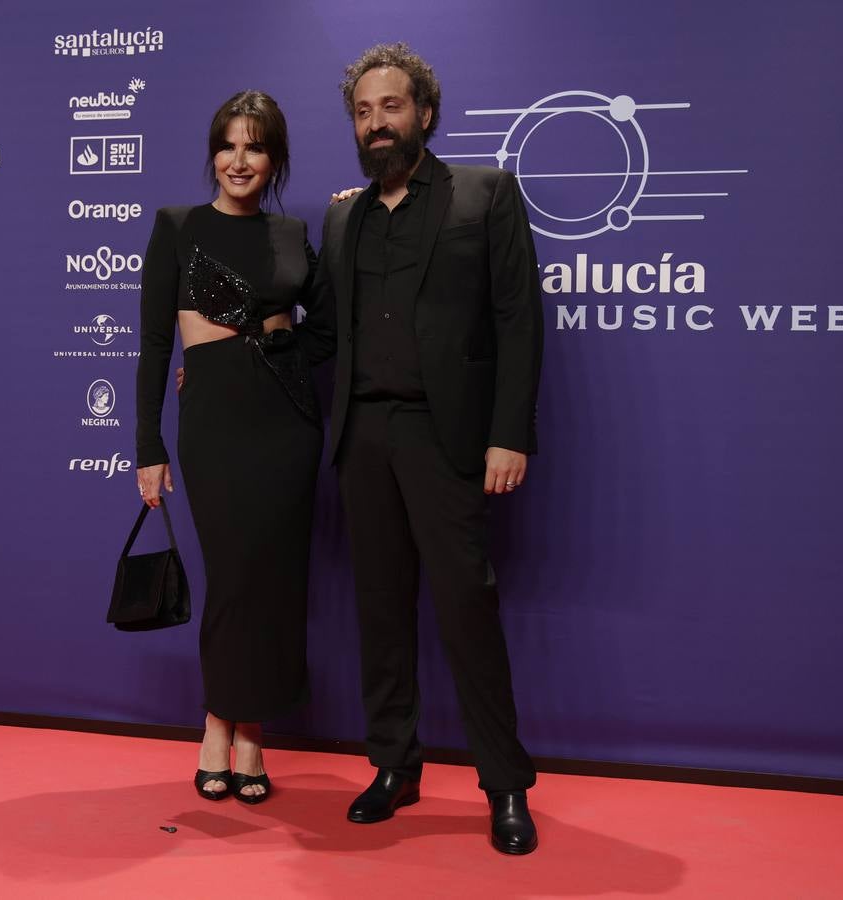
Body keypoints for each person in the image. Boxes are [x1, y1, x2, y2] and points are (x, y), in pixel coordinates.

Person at [308, 43, 544, 854]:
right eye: (364, 112)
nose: (377, 123)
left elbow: (518, 321)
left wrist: (508, 432)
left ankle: (505, 784)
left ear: (425, 114)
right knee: (379, 611)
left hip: (446, 439)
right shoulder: (344, 216)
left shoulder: (484, 194)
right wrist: (225, 359)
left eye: (391, 107)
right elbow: (319, 332)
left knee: (466, 611)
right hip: (361, 438)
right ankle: (393, 766)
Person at [134, 90, 333, 804]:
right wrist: (147, 444)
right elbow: (156, 342)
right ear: (212, 152)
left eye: (254, 147)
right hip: (213, 419)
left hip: (286, 420)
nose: (238, 160)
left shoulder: (289, 234)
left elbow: (331, 324)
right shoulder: (177, 226)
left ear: (273, 159)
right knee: (233, 575)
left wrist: (276, 346)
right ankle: (218, 718)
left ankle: (249, 734)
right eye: (228, 144)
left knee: (274, 580)